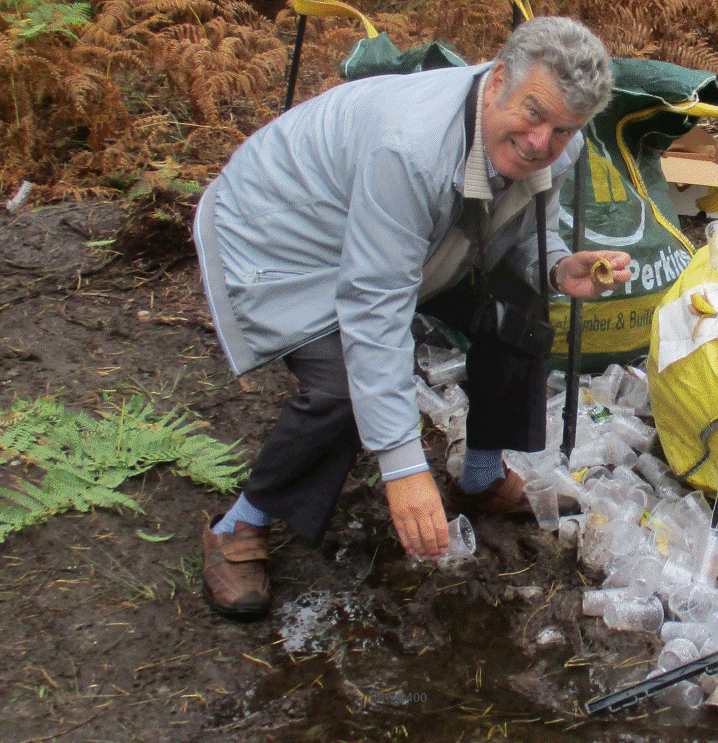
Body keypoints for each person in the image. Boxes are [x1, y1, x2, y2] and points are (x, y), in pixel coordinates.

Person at [192, 16, 626, 620]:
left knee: (518, 307)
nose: (540, 142)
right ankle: (242, 523)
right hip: (284, 237)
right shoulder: (410, 147)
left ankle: (479, 477)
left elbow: (525, 236)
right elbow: (374, 307)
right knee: (343, 383)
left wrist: (556, 267)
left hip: (410, 240)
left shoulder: (558, 142)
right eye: (533, 114)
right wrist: (402, 467)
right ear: (499, 80)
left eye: (563, 130)